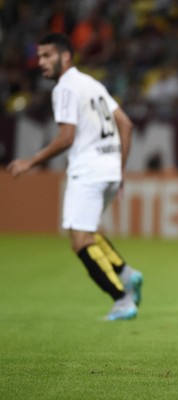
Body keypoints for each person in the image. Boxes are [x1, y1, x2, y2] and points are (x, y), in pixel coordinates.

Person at [7, 33, 143, 321]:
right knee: (88, 230)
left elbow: (67, 137)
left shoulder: (65, 88)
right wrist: (120, 169)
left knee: (79, 240)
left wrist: (31, 160)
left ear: (65, 56)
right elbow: (127, 125)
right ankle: (127, 274)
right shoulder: (92, 84)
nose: (40, 61)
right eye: (39, 56)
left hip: (88, 170)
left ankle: (121, 299)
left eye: (47, 56)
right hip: (108, 170)